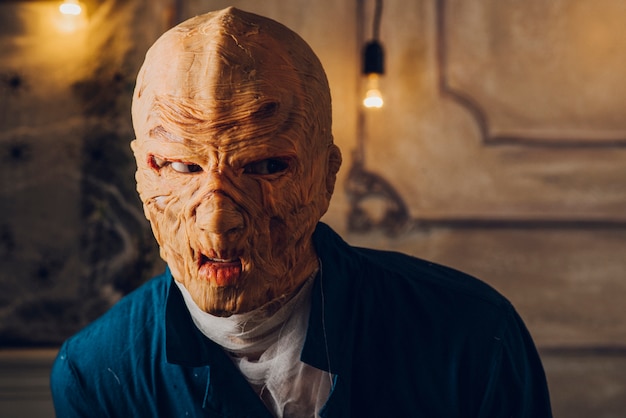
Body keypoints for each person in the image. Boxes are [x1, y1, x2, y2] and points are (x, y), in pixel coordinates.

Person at [50, 7, 552, 417]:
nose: (218, 219)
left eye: (266, 166)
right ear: (141, 172)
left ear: (326, 174)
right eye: (181, 166)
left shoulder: (473, 338)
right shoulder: (97, 373)